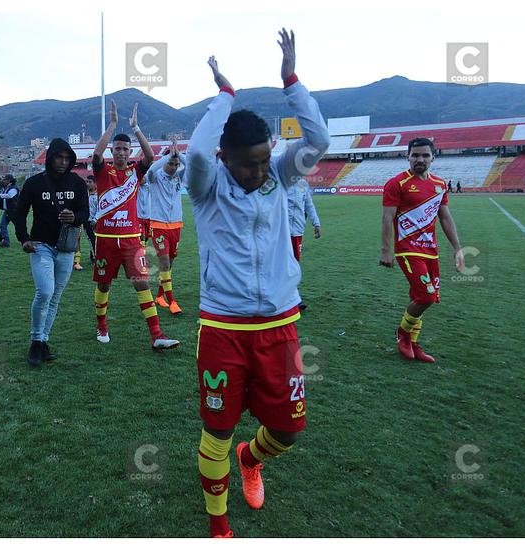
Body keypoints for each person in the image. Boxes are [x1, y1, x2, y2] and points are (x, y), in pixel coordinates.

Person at [186, 30, 330, 538]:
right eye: (249, 162)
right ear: (226, 157)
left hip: (280, 325)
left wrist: (291, 80)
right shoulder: (206, 185)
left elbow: (319, 142)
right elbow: (198, 154)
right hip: (223, 328)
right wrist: (225, 97)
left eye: (265, 159)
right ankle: (219, 526)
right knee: (217, 428)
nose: (260, 169)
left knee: (289, 430)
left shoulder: (280, 176)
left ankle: (252, 459)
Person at [91, 100, 179, 350]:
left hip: (131, 239)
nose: (121, 152)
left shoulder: (135, 173)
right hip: (106, 240)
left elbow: (150, 156)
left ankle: (157, 335)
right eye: (117, 148)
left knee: (141, 283)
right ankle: (102, 325)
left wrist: (136, 127)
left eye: (125, 149)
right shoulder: (102, 171)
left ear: (130, 153)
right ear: (113, 151)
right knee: (104, 284)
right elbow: (96, 155)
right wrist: (112, 125)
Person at [379, 137, 465, 363]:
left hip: (431, 251)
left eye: (425, 155)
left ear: (433, 158)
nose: (420, 159)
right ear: (407, 157)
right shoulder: (397, 184)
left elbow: (445, 217)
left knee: (425, 297)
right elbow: (387, 219)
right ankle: (403, 334)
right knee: (426, 297)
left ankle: (413, 343)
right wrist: (386, 251)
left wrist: (457, 249)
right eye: (415, 155)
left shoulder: (439, 184)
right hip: (408, 250)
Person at [12, 138, 90, 366]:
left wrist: (74, 217)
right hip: (41, 245)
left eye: (67, 158)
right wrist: (24, 239)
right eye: (59, 157)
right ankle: (36, 341)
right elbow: (19, 213)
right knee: (45, 291)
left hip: (66, 248)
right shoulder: (35, 183)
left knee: (55, 297)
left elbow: (86, 213)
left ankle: (42, 343)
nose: (63, 162)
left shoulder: (77, 182)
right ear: (50, 157)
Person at [144, 140, 187, 315]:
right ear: (165, 161)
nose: (174, 167)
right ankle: (172, 301)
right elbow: (151, 169)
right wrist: (169, 155)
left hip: (176, 225)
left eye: (176, 164)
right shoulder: (155, 177)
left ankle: (160, 296)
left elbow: (190, 165)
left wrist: (178, 154)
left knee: (169, 263)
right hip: (159, 225)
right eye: (171, 163)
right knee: (164, 262)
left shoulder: (179, 176)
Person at [286, 178, 321, 310]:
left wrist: (316, 223)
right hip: (281, 231)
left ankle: (293, 297)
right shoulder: (281, 180)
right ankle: (290, 298)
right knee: (281, 264)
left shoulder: (303, 184)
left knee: (294, 265)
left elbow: (309, 205)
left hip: (297, 231)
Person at [0, 174, 19, 247]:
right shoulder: (7, 187)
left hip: (14, 211)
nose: (3, 180)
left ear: (9, 180)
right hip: (7, 211)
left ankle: (25, 239)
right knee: (3, 225)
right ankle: (6, 241)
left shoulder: (14, 188)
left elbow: (10, 195)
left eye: (5, 179)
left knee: (18, 226)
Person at [84, 175, 98, 264]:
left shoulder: (99, 195)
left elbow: (101, 208)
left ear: (95, 183)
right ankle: (95, 259)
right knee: (91, 239)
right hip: (87, 221)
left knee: (98, 240)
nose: (87, 184)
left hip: (97, 221)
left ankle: (95, 257)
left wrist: (95, 219)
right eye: (87, 182)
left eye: (90, 182)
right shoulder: (84, 194)